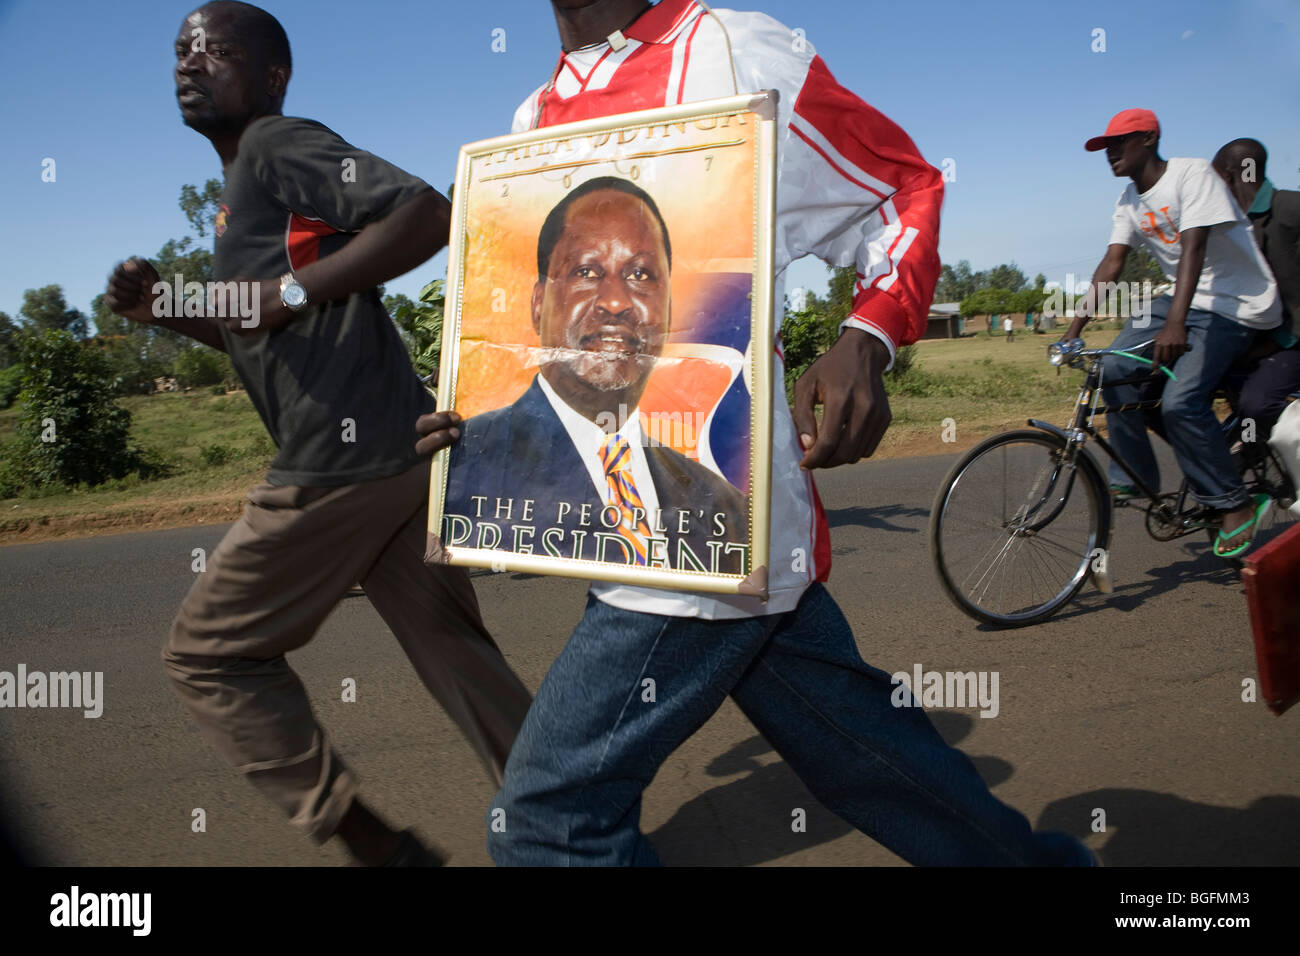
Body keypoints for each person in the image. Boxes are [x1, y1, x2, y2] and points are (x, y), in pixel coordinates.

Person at [419, 0, 1093, 866]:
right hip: (642, 537)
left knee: (549, 821)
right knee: (863, 755)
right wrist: (474, 437)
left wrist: (868, 337)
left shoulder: (734, 49)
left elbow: (899, 190)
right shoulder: (534, 116)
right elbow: (526, 339)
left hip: (703, 533)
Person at [104, 0, 532, 866]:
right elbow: (249, 321)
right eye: (179, 51)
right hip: (395, 453)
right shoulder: (237, 204)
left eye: (215, 49)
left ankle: (379, 848)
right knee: (459, 658)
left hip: (342, 462)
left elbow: (425, 211)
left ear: (272, 75)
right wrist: (167, 309)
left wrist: (294, 293)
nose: (189, 63)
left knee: (205, 655)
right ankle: (572, 823)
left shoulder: (273, 142)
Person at [442, 177, 748, 575]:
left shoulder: (722, 504)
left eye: (640, 275)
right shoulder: (464, 463)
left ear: (668, 308)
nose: (617, 301)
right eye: (586, 271)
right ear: (538, 303)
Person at [1062, 109, 1280, 558]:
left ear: (1148, 138)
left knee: (1183, 401)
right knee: (1113, 368)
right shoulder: (1128, 199)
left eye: (1119, 143)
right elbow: (1112, 264)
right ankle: (1134, 477)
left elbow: (1194, 249)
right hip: (1180, 298)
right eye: (1105, 148)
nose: (1111, 154)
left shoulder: (1192, 174)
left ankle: (1232, 503)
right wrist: (1072, 331)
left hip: (1236, 303)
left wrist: (1176, 323)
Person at [1211, 139, 1300, 447]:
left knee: (1257, 403)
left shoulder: (1290, 207)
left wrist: (1277, 342)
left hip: (1291, 341)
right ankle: (1251, 448)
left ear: (1229, 174)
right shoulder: (1230, 227)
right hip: (1255, 338)